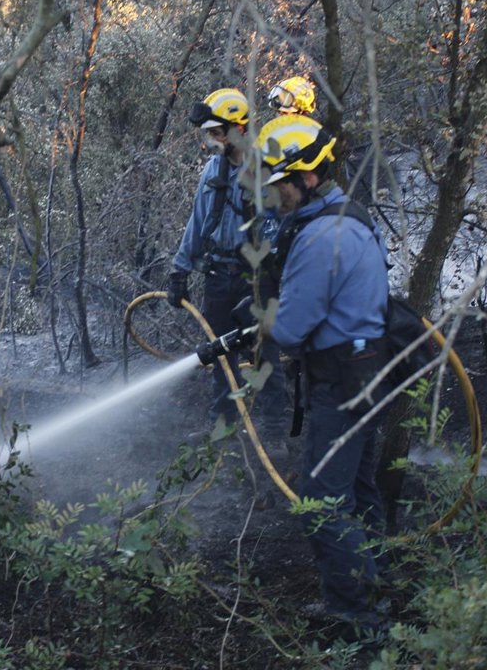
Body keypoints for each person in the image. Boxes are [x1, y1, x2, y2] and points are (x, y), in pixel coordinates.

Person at [253, 113, 390, 632]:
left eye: (281, 184)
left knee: (321, 502)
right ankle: (376, 589)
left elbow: (290, 329)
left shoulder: (318, 238)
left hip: (342, 382)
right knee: (358, 489)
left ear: (308, 176)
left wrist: (262, 322)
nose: (275, 196)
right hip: (367, 369)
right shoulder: (352, 217)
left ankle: (357, 615)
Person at [167, 88, 288, 425]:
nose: (211, 141)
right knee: (221, 354)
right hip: (218, 276)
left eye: (217, 133)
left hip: (257, 279)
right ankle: (223, 427)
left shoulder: (268, 169)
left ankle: (274, 429)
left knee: (265, 354)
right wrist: (180, 270)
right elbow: (198, 222)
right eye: (210, 134)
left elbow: (284, 228)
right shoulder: (213, 171)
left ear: (239, 128)